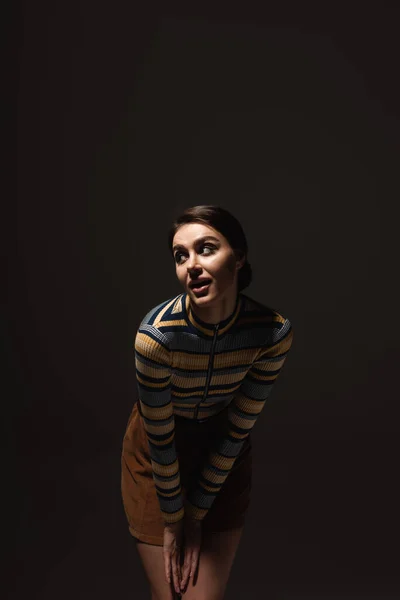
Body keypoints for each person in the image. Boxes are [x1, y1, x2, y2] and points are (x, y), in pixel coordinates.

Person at [121, 205, 294, 599]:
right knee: (168, 594)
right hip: (156, 451)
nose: (191, 265)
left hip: (222, 452)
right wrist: (173, 520)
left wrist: (196, 516)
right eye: (181, 256)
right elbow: (160, 439)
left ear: (240, 255)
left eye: (206, 249)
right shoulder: (156, 337)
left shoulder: (272, 333)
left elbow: (238, 427)